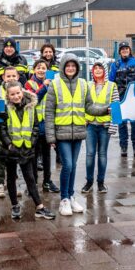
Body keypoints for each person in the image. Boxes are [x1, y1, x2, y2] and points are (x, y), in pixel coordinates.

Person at [45, 54, 104, 216]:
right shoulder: (55, 85)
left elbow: (90, 108)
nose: (70, 68)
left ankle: (71, 196)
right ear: (63, 67)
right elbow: (49, 112)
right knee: (68, 165)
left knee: (74, 166)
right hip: (61, 133)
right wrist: (51, 137)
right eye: (68, 65)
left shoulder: (84, 85)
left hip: (78, 133)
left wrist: (106, 109)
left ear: (77, 67)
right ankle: (64, 199)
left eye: (73, 66)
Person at [0, 81, 56, 221]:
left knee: (30, 178)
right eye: (12, 94)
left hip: (26, 148)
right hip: (11, 149)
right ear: (8, 95)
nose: (16, 96)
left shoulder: (30, 107)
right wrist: (9, 145)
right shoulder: (5, 109)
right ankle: (15, 206)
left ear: (22, 92)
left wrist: (33, 142)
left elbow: (35, 126)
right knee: (11, 178)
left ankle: (39, 207)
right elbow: (1, 129)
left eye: (18, 93)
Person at [82, 61, 119, 194]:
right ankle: (89, 181)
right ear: (92, 71)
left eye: (100, 68)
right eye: (95, 68)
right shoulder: (87, 85)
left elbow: (116, 107)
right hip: (90, 125)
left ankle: (101, 183)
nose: (97, 70)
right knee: (90, 154)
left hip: (104, 126)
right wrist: (83, 120)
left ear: (105, 71)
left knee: (102, 154)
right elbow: (83, 104)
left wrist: (113, 127)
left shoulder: (112, 86)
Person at [25, 59, 60, 193]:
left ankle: (47, 181)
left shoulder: (52, 84)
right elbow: (33, 100)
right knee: (33, 156)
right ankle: (32, 183)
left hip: (47, 124)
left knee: (46, 155)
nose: (41, 70)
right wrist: (44, 87)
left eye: (43, 68)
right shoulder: (29, 84)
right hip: (33, 124)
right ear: (34, 70)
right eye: (38, 68)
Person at [108, 41, 135, 157]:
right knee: (122, 124)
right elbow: (111, 82)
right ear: (119, 51)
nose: (125, 50)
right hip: (120, 99)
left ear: (129, 50)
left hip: (134, 99)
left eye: (126, 48)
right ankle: (123, 147)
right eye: (122, 49)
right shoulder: (115, 65)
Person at [0, 66, 22, 198]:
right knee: (0, 158)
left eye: (13, 76)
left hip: (15, 132)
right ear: (3, 77)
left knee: (14, 159)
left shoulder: (21, 90)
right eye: (8, 76)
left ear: (18, 77)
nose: (11, 78)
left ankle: (13, 184)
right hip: (1, 131)